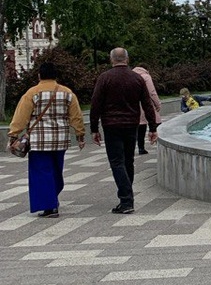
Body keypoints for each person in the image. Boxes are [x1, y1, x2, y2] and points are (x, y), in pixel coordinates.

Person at [8, 62, 86, 217]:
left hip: (39, 140)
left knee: (41, 172)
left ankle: (49, 206)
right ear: (56, 76)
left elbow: (21, 116)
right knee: (57, 171)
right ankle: (53, 198)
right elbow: (76, 116)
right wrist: (80, 134)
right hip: (60, 140)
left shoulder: (32, 93)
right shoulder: (67, 93)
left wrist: (13, 134)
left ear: (39, 75)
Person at [90, 47, 159, 215]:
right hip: (131, 124)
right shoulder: (137, 78)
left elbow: (95, 104)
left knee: (116, 162)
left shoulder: (104, 78)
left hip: (111, 125)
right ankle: (127, 197)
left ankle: (126, 199)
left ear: (111, 60)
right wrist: (152, 127)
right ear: (127, 59)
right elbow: (147, 104)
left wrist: (94, 129)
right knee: (128, 161)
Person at [133, 65, 162, 155]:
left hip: (134, 105)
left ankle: (141, 148)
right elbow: (152, 92)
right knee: (157, 123)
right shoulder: (146, 76)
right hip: (146, 104)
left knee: (141, 126)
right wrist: (157, 104)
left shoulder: (132, 75)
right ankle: (160, 145)